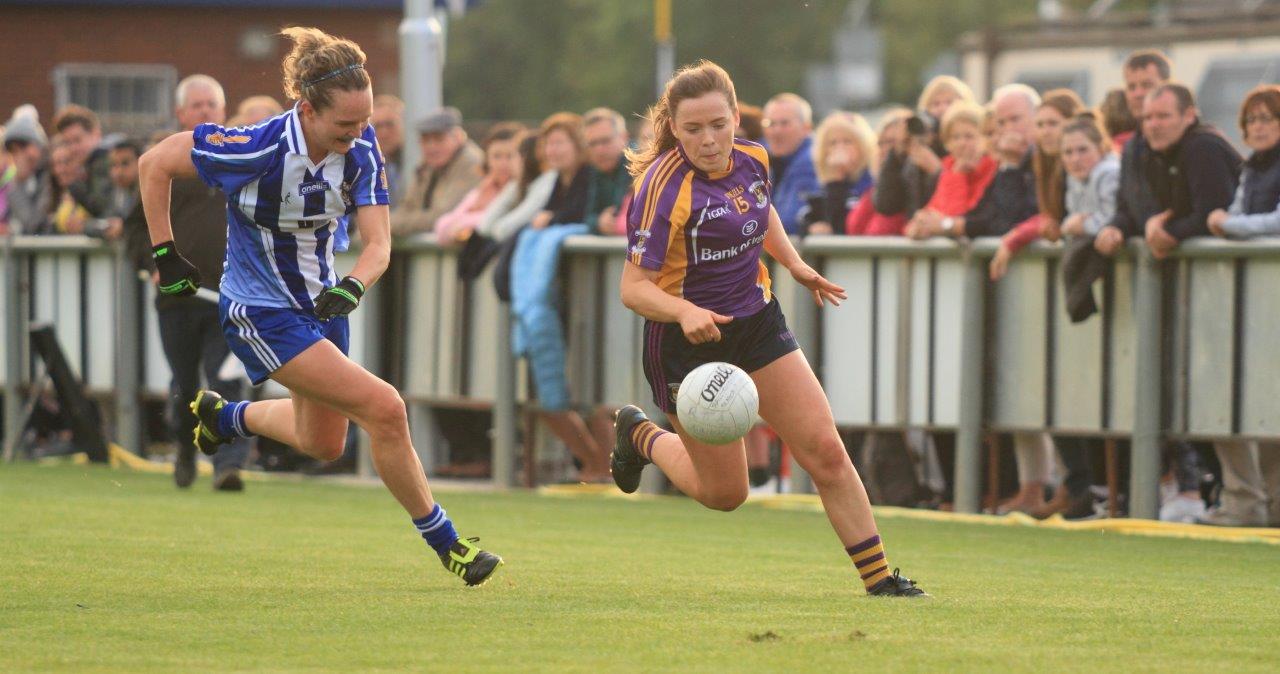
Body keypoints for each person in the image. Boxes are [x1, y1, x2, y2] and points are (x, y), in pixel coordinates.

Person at [137, 26, 502, 584]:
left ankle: (226, 415)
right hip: (259, 313)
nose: (358, 136)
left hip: (321, 309)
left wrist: (352, 284)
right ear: (306, 109)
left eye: (366, 122)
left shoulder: (362, 151)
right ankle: (449, 544)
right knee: (386, 408)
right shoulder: (256, 147)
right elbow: (153, 164)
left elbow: (378, 244)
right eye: (345, 125)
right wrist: (166, 252)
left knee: (325, 443)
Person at [611, 60, 925, 597]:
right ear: (675, 128)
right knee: (726, 494)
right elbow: (633, 287)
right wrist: (685, 311)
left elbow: (761, 212)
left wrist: (796, 265)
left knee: (825, 449)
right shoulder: (661, 188)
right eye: (693, 129)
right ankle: (641, 436)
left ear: (736, 117)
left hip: (757, 325)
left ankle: (881, 580)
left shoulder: (754, 158)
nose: (708, 140)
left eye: (718, 124)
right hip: (688, 345)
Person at [390, 106, 483, 237]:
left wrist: (391, 225)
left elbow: (444, 215)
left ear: (458, 137)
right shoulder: (428, 165)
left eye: (439, 139)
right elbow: (408, 206)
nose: (431, 147)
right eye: (425, 140)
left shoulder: (471, 164)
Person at [433, 122, 525, 245]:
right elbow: (443, 225)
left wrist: (464, 226)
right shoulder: (482, 190)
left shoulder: (525, 191)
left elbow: (496, 222)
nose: (503, 164)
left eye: (510, 156)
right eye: (497, 156)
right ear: (487, 159)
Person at [805, 111, 876, 235]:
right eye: (833, 143)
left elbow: (843, 226)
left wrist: (836, 182)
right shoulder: (819, 183)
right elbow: (806, 217)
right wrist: (810, 227)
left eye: (847, 141)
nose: (840, 148)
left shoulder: (871, 182)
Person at [762, 93, 820, 234]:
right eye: (770, 124)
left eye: (784, 123)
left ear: (806, 128)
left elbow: (788, 222)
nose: (776, 131)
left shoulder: (808, 163)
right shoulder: (772, 160)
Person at [3, 106, 52, 234]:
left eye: (22, 148)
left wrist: (18, 183)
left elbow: (33, 224)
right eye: (14, 152)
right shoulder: (30, 177)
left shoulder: (52, 175)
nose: (20, 157)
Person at [582, 107, 630, 235]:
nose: (599, 150)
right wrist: (599, 222)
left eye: (605, 141)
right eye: (592, 144)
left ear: (624, 137)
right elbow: (587, 216)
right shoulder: (593, 170)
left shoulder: (640, 166)